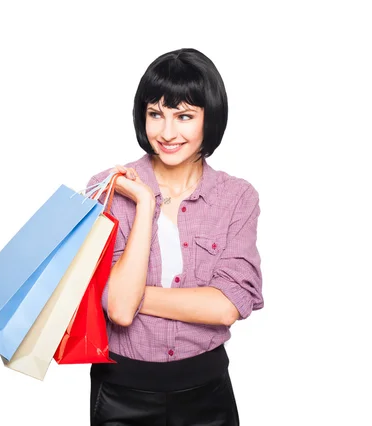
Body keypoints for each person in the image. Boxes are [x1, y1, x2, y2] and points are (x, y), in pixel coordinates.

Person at [87, 48, 263, 425]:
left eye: (184, 116)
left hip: (207, 393)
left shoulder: (237, 198)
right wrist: (146, 205)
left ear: (209, 119)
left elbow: (226, 307)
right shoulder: (108, 189)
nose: (166, 133)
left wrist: (133, 296)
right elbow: (118, 310)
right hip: (121, 392)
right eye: (156, 114)